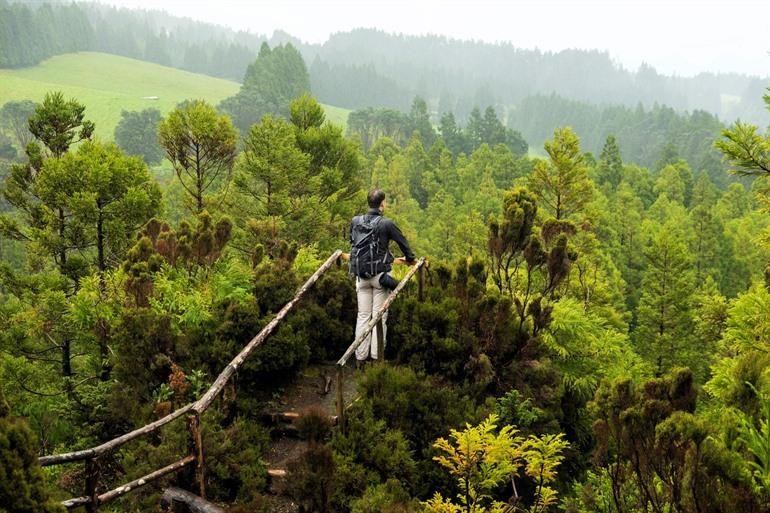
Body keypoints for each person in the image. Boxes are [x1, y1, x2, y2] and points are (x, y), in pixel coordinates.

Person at [349, 189, 415, 365]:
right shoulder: (387, 224)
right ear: (382, 204)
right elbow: (403, 244)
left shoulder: (356, 221)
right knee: (379, 317)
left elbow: (352, 241)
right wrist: (409, 259)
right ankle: (376, 358)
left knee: (363, 316)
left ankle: (360, 358)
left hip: (361, 276)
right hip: (380, 277)